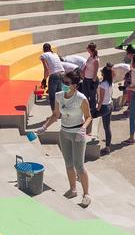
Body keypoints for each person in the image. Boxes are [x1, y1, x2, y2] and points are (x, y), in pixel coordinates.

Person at [35, 69, 92, 208]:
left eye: (67, 83)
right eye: (63, 82)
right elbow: (56, 114)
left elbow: (89, 116)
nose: (64, 85)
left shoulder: (81, 98)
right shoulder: (59, 96)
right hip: (64, 132)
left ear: (74, 85)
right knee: (68, 164)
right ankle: (73, 189)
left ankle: (86, 194)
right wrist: (45, 126)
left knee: (79, 165)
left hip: (77, 134)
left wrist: (83, 128)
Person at [80, 43, 100, 131]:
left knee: (92, 96)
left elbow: (95, 72)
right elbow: (86, 67)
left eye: (87, 48)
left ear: (90, 49)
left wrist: (93, 82)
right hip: (86, 79)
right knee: (85, 96)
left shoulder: (96, 60)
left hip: (91, 80)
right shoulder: (90, 57)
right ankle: (86, 110)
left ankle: (93, 112)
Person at [40, 44, 65, 111]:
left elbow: (46, 69)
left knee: (52, 96)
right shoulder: (55, 54)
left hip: (54, 76)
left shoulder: (43, 55)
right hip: (62, 73)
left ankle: (55, 114)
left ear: (43, 49)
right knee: (60, 95)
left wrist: (44, 79)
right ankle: (61, 112)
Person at [96, 64, 114, 155]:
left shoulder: (103, 84)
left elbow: (101, 98)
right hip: (110, 104)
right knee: (107, 127)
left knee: (90, 117)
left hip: (104, 106)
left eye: (102, 71)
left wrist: (98, 108)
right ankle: (108, 147)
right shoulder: (110, 83)